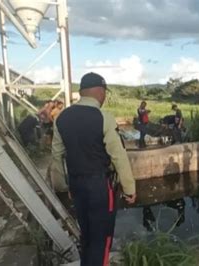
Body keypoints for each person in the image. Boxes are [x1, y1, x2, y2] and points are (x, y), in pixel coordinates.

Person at [52, 72, 137, 266]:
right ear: (99, 91)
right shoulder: (103, 117)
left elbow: (56, 157)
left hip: (76, 184)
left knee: (87, 234)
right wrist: (129, 188)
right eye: (105, 92)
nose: (105, 97)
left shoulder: (62, 118)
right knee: (102, 237)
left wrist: (63, 187)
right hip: (100, 186)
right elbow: (119, 156)